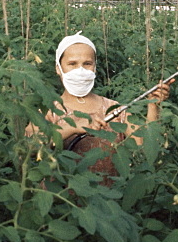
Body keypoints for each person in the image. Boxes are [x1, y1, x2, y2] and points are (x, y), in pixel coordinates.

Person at [27, 33, 170, 183]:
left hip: (107, 199)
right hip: (61, 200)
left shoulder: (114, 110)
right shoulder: (49, 111)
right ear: (58, 68)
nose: (80, 70)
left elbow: (144, 145)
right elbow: (29, 148)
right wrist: (72, 128)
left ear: (95, 68)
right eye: (72, 64)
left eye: (87, 63)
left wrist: (154, 106)